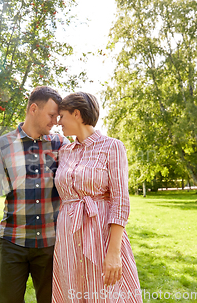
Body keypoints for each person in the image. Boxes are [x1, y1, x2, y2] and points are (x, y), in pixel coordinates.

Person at [0, 86, 70, 303]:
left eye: (57, 116)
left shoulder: (61, 145)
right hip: (13, 243)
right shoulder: (3, 145)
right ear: (33, 109)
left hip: (51, 244)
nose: (55, 121)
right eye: (51, 115)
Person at [52, 92, 142, 302]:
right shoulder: (64, 151)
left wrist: (114, 252)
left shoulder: (112, 146)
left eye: (62, 116)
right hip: (68, 237)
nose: (58, 123)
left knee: (106, 293)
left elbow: (120, 202)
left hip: (100, 234)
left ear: (77, 114)